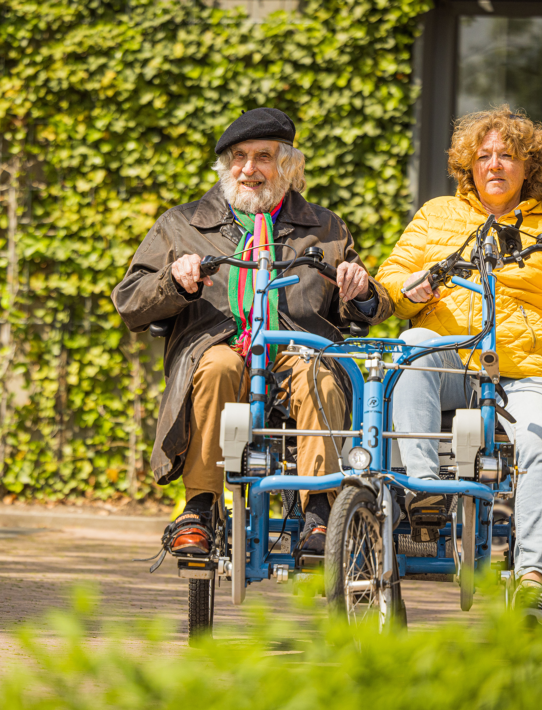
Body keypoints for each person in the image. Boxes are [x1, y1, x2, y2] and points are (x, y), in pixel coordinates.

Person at [112, 108, 392, 558]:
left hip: (296, 346)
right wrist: (173, 282)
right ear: (225, 166)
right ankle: (199, 508)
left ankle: (319, 512)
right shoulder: (182, 225)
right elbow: (129, 301)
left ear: (287, 166)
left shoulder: (325, 227)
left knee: (317, 370)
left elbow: (360, 303)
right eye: (238, 157)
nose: (248, 169)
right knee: (218, 365)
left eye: (263, 157)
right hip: (218, 346)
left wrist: (359, 290)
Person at [376, 106, 542, 624]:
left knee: (541, 436)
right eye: (484, 155)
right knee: (416, 343)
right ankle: (425, 496)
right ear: (468, 166)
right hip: (453, 360)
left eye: (508, 156)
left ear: (527, 168)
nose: (494, 165)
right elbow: (391, 282)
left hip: (528, 369)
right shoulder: (436, 215)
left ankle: (531, 577)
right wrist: (409, 289)